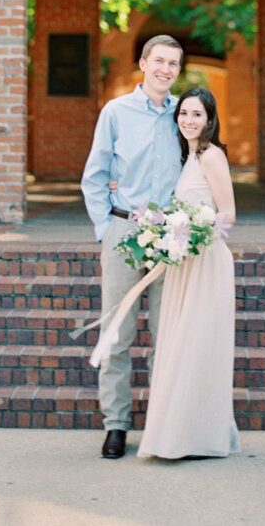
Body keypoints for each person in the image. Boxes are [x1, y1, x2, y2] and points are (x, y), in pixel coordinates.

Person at [81, 34, 184, 459]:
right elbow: (95, 173)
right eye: (158, 61)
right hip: (124, 233)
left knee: (168, 335)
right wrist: (106, 228)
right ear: (143, 63)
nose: (165, 69)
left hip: (172, 239)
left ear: (179, 70)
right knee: (118, 333)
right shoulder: (116, 112)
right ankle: (117, 425)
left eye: (173, 64)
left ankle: (162, 426)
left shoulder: (188, 113)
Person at [137, 86, 240, 460]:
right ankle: (180, 435)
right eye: (183, 113)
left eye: (197, 114)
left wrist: (193, 235)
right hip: (184, 261)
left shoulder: (212, 156)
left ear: (210, 120)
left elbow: (227, 213)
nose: (188, 120)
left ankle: (198, 437)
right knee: (181, 346)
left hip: (205, 260)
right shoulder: (190, 157)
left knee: (197, 346)